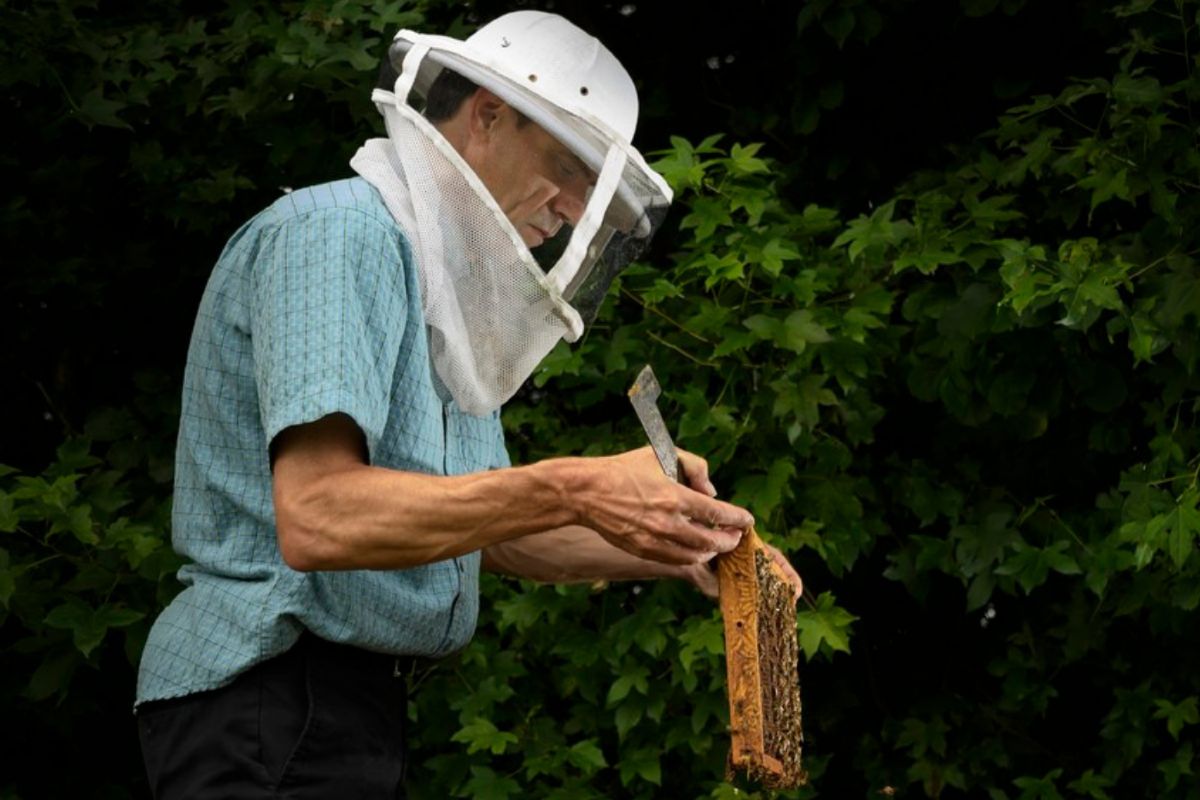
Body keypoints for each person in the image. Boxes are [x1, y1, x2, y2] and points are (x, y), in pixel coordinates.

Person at [135, 10, 803, 799]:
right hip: (268, 688)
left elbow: (496, 537)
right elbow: (318, 516)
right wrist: (578, 484)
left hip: (346, 710)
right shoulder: (337, 235)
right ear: (487, 115)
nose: (571, 207)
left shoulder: (450, 302)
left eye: (593, 189)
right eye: (570, 167)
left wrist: (681, 544)